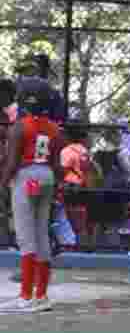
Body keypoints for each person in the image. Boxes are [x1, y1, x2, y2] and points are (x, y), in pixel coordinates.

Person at [0, 77, 64, 312]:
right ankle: (42, 295)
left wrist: (3, 183)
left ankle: (26, 296)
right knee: (41, 235)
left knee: (26, 237)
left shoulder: (20, 126)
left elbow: (13, 161)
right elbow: (58, 164)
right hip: (46, 176)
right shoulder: (54, 128)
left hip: (27, 177)